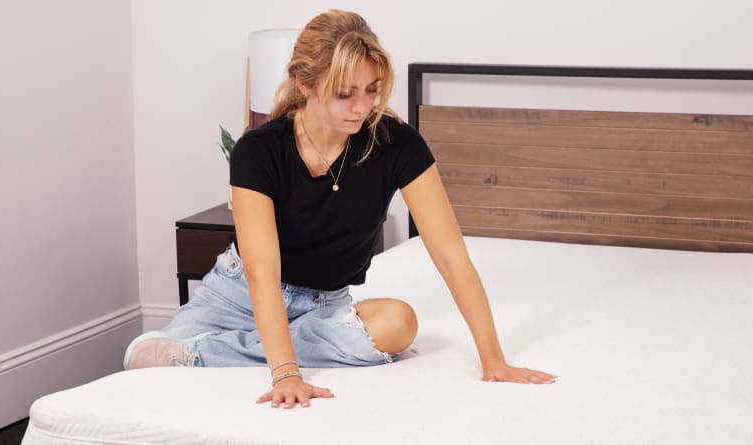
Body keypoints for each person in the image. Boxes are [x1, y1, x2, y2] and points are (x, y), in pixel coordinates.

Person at [123, 9, 556, 409]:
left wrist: (493, 359)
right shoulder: (259, 150)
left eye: (371, 91)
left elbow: (449, 254)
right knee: (141, 356)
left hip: (327, 305)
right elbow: (262, 271)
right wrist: (286, 373)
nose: (362, 107)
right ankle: (264, 344)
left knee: (397, 323)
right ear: (305, 83)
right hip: (237, 295)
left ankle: (206, 354)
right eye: (345, 93)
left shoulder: (396, 143)